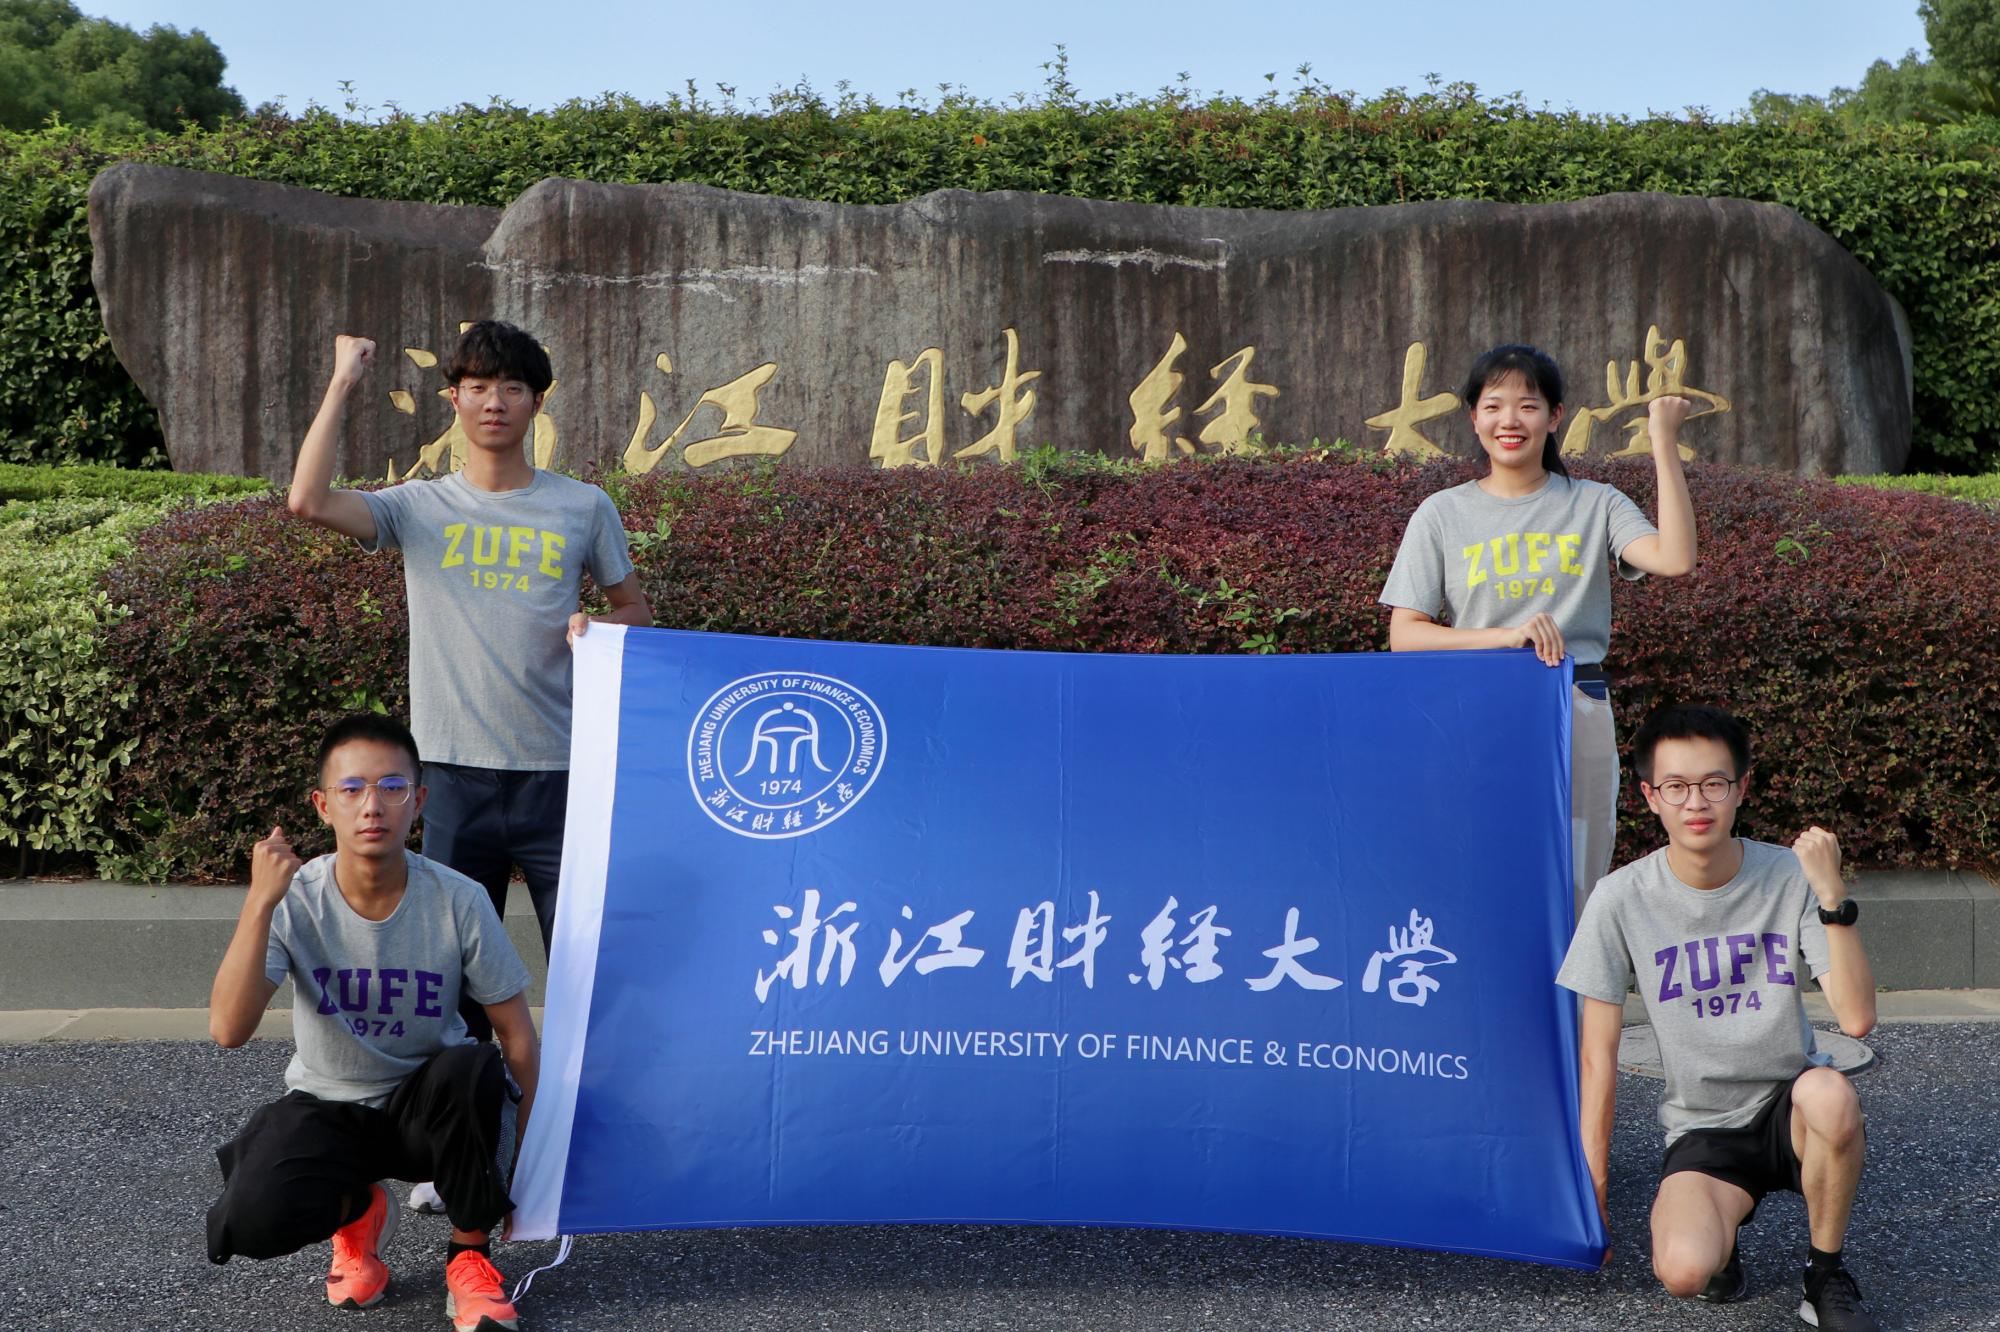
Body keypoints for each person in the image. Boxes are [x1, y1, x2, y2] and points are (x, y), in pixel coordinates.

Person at [287, 321, 650, 1039]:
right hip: (452, 775)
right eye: (478, 387)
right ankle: (471, 1110)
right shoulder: (419, 507)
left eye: (512, 388)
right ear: (454, 399)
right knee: (455, 983)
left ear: (537, 402)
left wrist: (598, 626)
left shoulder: (583, 506)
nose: (494, 403)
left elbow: (634, 609)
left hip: (560, 773)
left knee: (586, 969)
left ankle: (578, 1106)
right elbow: (307, 500)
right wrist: (342, 382)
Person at [206, 713, 541, 1332]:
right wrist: (259, 901)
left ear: (419, 800)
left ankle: (468, 1257)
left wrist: (521, 1157)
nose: (372, 806)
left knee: (473, 1066)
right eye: (352, 788)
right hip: (330, 1105)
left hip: (429, 1109)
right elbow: (229, 1028)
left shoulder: (459, 898)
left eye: (392, 787)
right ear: (322, 805)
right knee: (248, 1221)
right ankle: (357, 1212)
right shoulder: (296, 898)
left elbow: (517, 1033)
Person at [1558, 704, 1881, 1331]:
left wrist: (1832, 895)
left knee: (1831, 1093)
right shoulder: (1621, 897)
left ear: (1741, 788)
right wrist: (1591, 1182)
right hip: (1703, 1125)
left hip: (1790, 1105)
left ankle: (1824, 1274)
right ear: (1650, 797)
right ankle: (1721, 1241)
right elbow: (1597, 1055)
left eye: (1713, 783)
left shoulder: (1788, 876)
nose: (1696, 803)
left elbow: (1857, 1017)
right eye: (1676, 786)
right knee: (1684, 1271)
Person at [1378, 344, 1696, 914]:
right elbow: (1406, 634)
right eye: (1493, 406)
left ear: (1554, 417)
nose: (1510, 420)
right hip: (1478, 707)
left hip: (1575, 703)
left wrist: (1663, 443)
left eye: (1527, 406)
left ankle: (1576, 978)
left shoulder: (1596, 503)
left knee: (1579, 872)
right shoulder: (1442, 513)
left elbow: (1674, 558)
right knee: (1482, 863)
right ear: (1473, 418)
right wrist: (1505, 636)